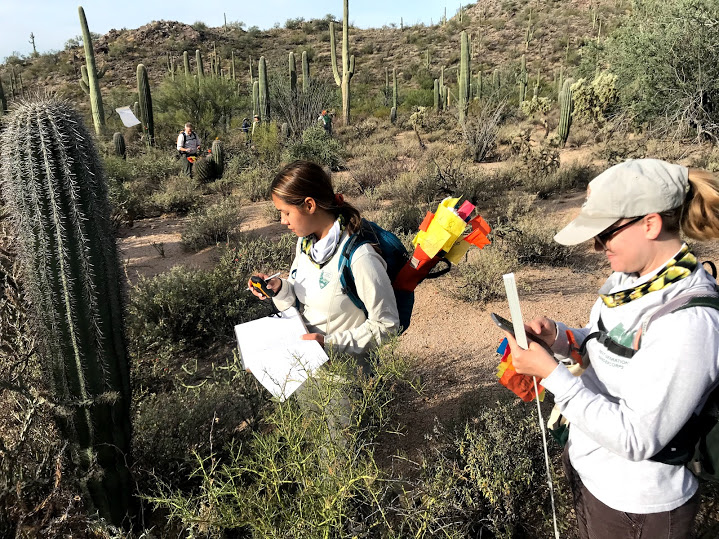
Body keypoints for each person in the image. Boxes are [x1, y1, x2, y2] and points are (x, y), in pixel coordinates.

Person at [502, 159, 719, 539]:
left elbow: (637, 439)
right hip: (594, 474)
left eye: (605, 234)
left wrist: (553, 376)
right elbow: (608, 342)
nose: (597, 246)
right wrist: (561, 337)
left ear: (649, 224)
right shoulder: (631, 280)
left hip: (638, 506)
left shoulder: (690, 323)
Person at [249, 160, 400, 369]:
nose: (282, 221)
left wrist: (329, 345)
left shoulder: (360, 257)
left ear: (310, 205)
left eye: (286, 212)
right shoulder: (306, 243)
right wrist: (280, 288)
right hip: (308, 371)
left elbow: (387, 326)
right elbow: (300, 298)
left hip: (349, 380)